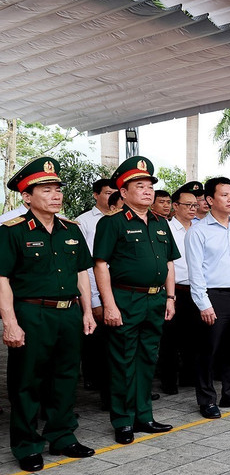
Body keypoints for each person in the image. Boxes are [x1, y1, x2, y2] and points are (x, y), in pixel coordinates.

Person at [0, 157, 97, 472]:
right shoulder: (12, 231)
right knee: (27, 381)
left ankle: (62, 435)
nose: (55, 195)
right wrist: (10, 323)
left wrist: (86, 310)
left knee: (67, 377)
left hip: (68, 312)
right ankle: (27, 444)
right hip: (32, 313)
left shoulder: (72, 229)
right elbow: (2, 279)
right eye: (46, 189)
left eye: (57, 189)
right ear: (27, 197)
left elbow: (82, 272)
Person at [93, 156, 177, 445]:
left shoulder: (161, 223)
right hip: (125, 298)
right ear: (124, 193)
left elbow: (168, 264)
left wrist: (170, 297)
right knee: (123, 362)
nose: (147, 191)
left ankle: (145, 415)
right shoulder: (112, 223)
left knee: (147, 359)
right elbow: (101, 265)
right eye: (139, 186)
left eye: (149, 186)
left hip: (155, 300)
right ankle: (123, 420)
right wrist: (109, 305)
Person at [184, 178, 230, 419]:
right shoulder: (198, 231)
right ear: (209, 200)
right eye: (225, 195)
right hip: (214, 297)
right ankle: (206, 400)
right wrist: (203, 304)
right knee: (208, 351)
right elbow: (195, 272)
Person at [155, 185, 202, 395]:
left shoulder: (200, 228)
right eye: (188, 205)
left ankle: (189, 377)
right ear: (175, 206)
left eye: (195, 205)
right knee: (170, 340)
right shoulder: (165, 228)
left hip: (197, 289)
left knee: (194, 337)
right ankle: (168, 381)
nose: (193, 209)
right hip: (175, 291)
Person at [76, 178, 116, 404]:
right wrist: (93, 299)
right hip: (95, 291)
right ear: (95, 195)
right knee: (96, 343)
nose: (111, 196)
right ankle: (97, 383)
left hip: (117, 290)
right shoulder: (84, 222)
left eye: (114, 192)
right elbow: (86, 265)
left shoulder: (119, 219)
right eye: (107, 192)